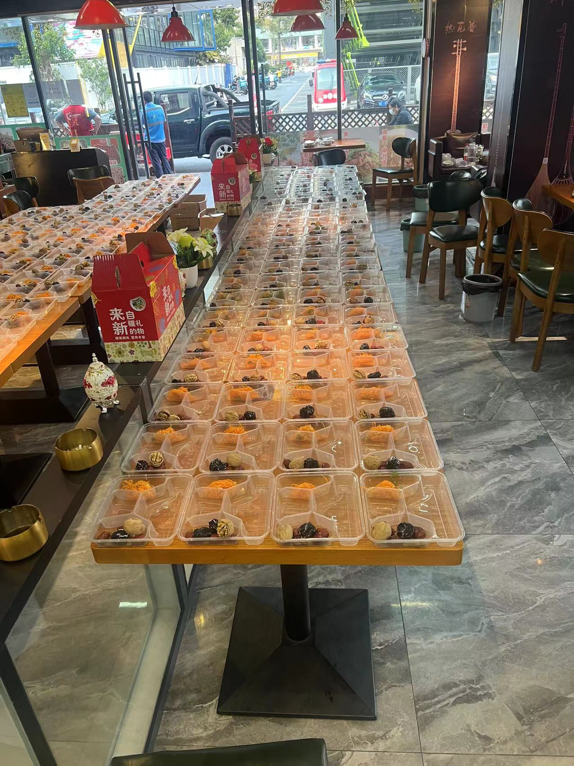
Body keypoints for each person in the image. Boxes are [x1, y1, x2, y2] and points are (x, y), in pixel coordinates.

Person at [141, 90, 173, 178]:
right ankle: (169, 177)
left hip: (150, 140)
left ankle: (161, 179)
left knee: (156, 162)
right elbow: (163, 121)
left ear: (144, 100)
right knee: (164, 159)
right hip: (161, 138)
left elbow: (142, 123)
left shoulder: (143, 111)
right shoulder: (160, 108)